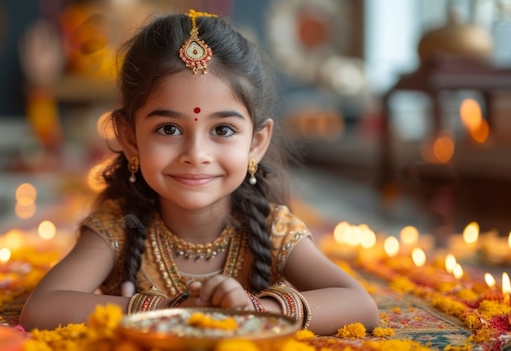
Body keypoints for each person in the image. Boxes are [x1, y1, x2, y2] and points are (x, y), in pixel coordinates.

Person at [19, 9, 379, 335]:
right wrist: (171, 310)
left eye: (222, 130)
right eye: (169, 130)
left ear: (256, 142)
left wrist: (253, 310)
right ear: (129, 138)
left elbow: (361, 306)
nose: (196, 155)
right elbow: (42, 308)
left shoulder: (272, 229)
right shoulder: (120, 226)